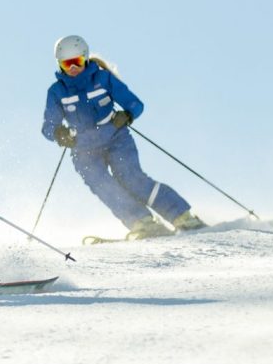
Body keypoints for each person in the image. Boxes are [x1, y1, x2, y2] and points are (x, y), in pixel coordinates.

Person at [42, 34, 204, 238]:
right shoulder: (57, 91)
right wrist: (59, 133)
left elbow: (135, 104)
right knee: (102, 185)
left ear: (85, 58)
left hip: (115, 138)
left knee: (131, 177)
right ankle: (142, 222)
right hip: (83, 148)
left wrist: (126, 115)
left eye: (77, 62)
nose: (73, 68)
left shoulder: (102, 79)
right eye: (67, 64)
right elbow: (48, 125)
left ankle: (181, 215)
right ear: (60, 65)